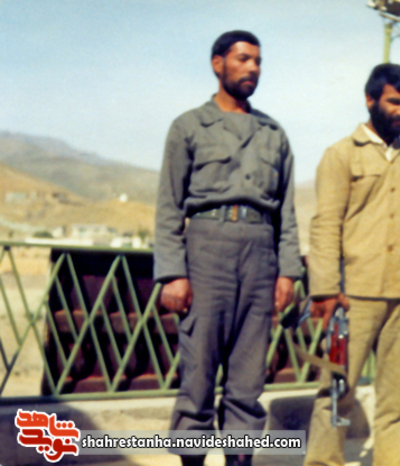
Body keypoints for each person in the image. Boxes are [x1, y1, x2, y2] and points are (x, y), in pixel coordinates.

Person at [153, 30, 302, 466]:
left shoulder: (273, 133)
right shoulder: (188, 126)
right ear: (217, 64)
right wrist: (172, 273)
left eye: (257, 61)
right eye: (242, 59)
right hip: (206, 250)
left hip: (260, 253)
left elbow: (287, 211)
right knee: (198, 375)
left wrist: (288, 272)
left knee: (248, 380)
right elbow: (168, 205)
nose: (252, 68)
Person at [304, 63, 400, 466]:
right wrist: (325, 290)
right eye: (394, 102)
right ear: (370, 99)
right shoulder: (341, 155)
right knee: (336, 392)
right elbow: (326, 225)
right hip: (352, 297)